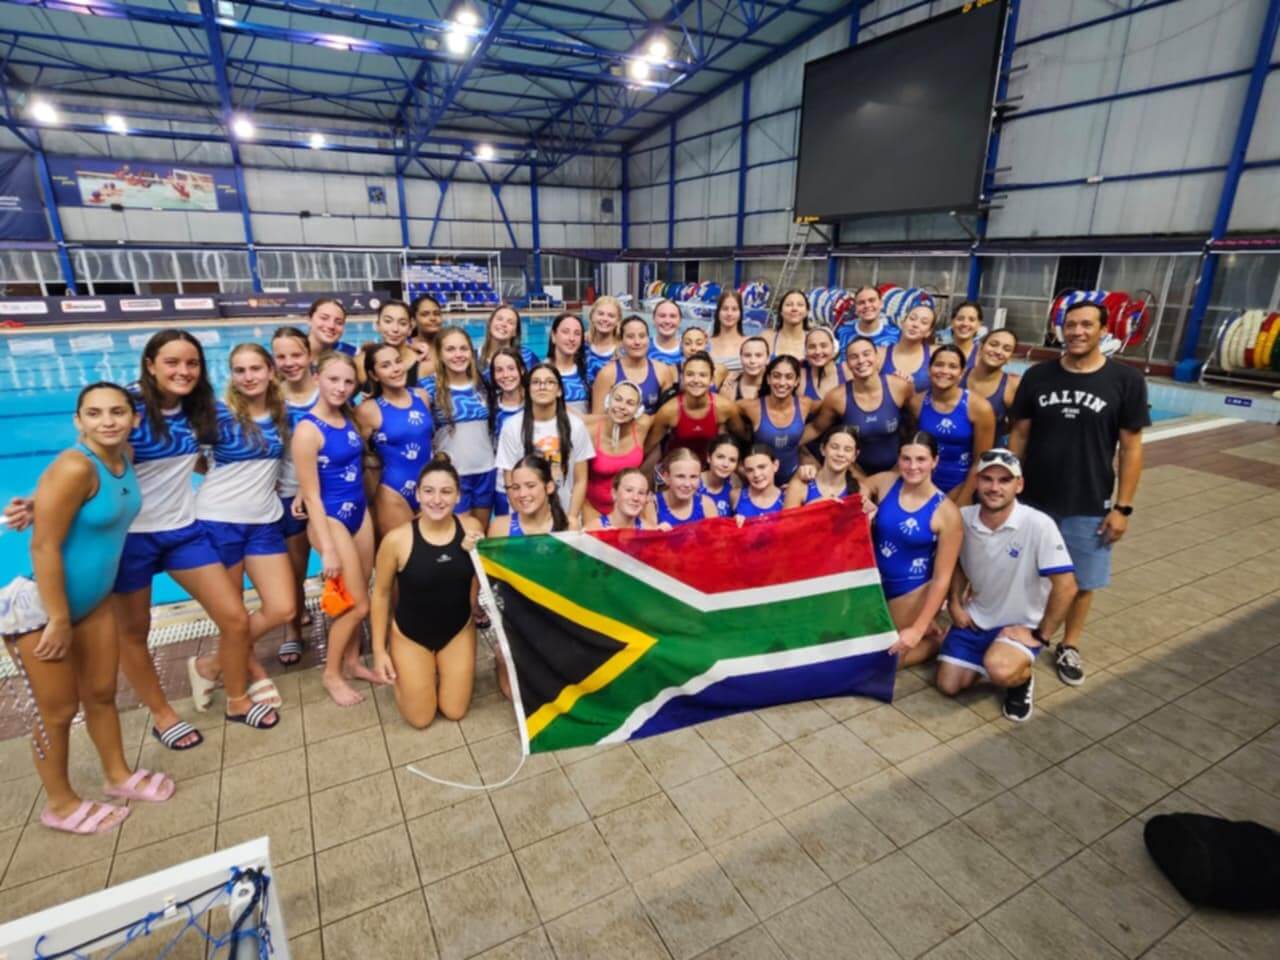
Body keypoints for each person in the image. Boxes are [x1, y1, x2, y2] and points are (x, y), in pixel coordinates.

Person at [0, 383, 175, 835]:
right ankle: (59, 804)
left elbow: (83, 505)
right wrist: (58, 618)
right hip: (42, 610)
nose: (107, 421)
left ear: (134, 419)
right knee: (57, 712)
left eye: (117, 412)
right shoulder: (74, 465)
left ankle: (117, 775)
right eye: (94, 413)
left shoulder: (123, 457)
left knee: (101, 694)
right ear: (78, 421)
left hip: (94, 601)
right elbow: (43, 546)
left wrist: (38, 503)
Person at [114, 331, 268, 749]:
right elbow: (87, 457)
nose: (183, 371)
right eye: (172, 362)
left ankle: (236, 700)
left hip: (183, 531)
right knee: (134, 632)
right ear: (150, 365)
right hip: (129, 538)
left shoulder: (202, 409)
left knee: (234, 618)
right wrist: (44, 500)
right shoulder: (127, 407)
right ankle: (162, 715)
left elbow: (213, 454)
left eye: (192, 363)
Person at [1008, 300, 1149, 688]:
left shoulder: (1125, 380)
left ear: (1104, 331)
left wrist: (1123, 507)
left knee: (1082, 581)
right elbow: (1019, 434)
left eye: (1087, 325)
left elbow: (1132, 448)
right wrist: (1009, 488)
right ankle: (1021, 632)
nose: (1077, 332)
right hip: (1034, 498)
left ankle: (1069, 644)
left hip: (1089, 499)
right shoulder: (1038, 375)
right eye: (1070, 325)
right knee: (1027, 572)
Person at [188, 344, 295, 712]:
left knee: (282, 607)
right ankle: (253, 671)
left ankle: (210, 665)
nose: (248, 377)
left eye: (255, 369)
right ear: (232, 375)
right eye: (240, 370)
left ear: (270, 371)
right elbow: (189, 458)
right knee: (232, 613)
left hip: (264, 521)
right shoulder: (218, 413)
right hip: (219, 519)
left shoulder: (282, 414)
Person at [938, 449, 1079, 722]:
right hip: (978, 618)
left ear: (1019, 485)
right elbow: (958, 563)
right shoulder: (963, 518)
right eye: (987, 479)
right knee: (948, 685)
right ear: (976, 482)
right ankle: (992, 656)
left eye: (1004, 480)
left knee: (1001, 669)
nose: (994, 488)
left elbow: (1067, 586)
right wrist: (955, 602)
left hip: (1021, 624)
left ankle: (1020, 680)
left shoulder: (1038, 524)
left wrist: (1041, 635)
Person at [369, 455, 484, 729]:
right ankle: (413, 673)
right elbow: (381, 595)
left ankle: (435, 670)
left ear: (458, 496)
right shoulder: (396, 540)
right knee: (420, 719)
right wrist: (378, 651)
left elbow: (486, 579)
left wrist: (481, 554)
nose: (437, 500)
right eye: (429, 491)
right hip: (410, 636)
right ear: (418, 494)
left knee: (454, 711)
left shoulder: (472, 530)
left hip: (457, 631)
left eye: (446, 492)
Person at [292, 351, 378, 707]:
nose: (341, 388)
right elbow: (311, 495)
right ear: (316, 378)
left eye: (347, 381)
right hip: (329, 520)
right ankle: (331, 673)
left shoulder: (349, 417)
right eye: (333, 379)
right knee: (357, 605)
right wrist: (327, 548)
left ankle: (353, 662)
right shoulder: (307, 430)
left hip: (359, 512)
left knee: (359, 593)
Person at [865, 432, 962, 668]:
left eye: (921, 459)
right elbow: (860, 486)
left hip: (910, 589)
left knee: (886, 662)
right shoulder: (886, 482)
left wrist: (917, 629)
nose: (912, 466)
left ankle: (937, 640)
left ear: (935, 461)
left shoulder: (947, 513)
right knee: (857, 650)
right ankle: (923, 627)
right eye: (906, 459)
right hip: (874, 580)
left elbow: (942, 578)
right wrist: (863, 499)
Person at [271, 326, 319, 667]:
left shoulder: (327, 390)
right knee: (295, 568)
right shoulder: (271, 399)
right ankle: (293, 628)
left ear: (309, 355)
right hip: (287, 492)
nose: (289, 362)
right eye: (281, 356)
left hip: (328, 490)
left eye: (296, 354)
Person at [495, 363, 595, 523]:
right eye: (536, 382)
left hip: (565, 514)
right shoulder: (512, 427)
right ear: (527, 390)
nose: (542, 386)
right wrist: (523, 518)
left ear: (559, 390)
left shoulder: (575, 426)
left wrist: (572, 517)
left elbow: (580, 480)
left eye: (549, 382)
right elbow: (509, 481)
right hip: (525, 516)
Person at [356, 342, 435, 538]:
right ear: (374, 375)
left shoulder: (422, 396)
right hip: (393, 492)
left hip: (430, 489)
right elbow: (357, 454)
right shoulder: (368, 410)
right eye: (386, 365)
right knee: (401, 552)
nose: (396, 369)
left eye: (398, 361)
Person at [803, 336, 912, 476]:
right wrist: (785, 444)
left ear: (877, 358)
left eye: (866, 354)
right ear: (847, 364)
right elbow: (816, 428)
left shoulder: (899, 387)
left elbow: (917, 424)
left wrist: (901, 466)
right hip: (855, 473)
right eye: (854, 357)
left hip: (899, 470)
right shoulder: (837, 397)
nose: (861, 361)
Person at [909, 345, 995, 503]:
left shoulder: (980, 408)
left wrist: (963, 499)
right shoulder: (916, 403)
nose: (944, 371)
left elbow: (981, 461)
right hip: (922, 484)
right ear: (929, 369)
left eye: (953, 366)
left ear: (962, 373)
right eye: (939, 364)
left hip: (962, 486)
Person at [429, 328, 497, 526]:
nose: (458, 355)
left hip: (486, 470)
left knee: (481, 533)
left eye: (463, 349)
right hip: (453, 473)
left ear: (471, 352)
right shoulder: (429, 388)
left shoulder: (484, 383)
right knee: (460, 533)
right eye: (450, 349)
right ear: (440, 354)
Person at [644, 352, 741, 465]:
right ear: (682, 378)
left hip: (711, 467)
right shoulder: (669, 411)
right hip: (677, 467)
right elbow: (648, 447)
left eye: (702, 375)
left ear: (711, 380)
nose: (696, 380)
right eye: (690, 374)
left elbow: (744, 439)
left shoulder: (725, 407)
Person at [736, 354, 812, 485]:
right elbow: (723, 413)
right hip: (758, 482)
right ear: (768, 379)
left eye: (789, 377)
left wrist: (797, 441)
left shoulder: (805, 404)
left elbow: (819, 426)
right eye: (776, 376)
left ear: (797, 381)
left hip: (793, 481)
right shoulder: (750, 407)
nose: (782, 383)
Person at [583, 381, 647, 520]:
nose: (622, 406)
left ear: (638, 410)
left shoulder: (643, 428)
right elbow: (578, 480)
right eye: (618, 399)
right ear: (608, 401)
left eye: (630, 403)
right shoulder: (590, 431)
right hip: (592, 509)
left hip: (631, 509)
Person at [591, 316, 677, 414]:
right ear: (621, 341)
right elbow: (597, 417)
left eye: (642, 336)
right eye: (630, 336)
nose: (637, 342)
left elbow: (668, 415)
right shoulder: (607, 374)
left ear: (648, 339)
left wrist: (646, 421)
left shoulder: (662, 371)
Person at [485, 347, 527, 518]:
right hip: (502, 484)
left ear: (521, 370)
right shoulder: (490, 406)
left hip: (532, 481)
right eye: (499, 370)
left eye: (511, 368)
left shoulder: (535, 403)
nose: (505, 375)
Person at [488, 454, 572, 537]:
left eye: (530, 486)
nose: (522, 494)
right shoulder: (500, 528)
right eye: (516, 487)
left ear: (549, 487)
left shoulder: (569, 525)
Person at [961, 329, 1021, 443]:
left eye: (1006, 349)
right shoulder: (959, 376)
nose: (998, 351)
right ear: (981, 347)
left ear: (1010, 357)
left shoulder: (1012, 386)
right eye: (993, 344)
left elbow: (1016, 429)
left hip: (990, 451)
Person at [784, 425, 865, 508]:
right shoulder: (800, 485)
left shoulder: (861, 491)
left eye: (847, 449)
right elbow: (788, 517)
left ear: (855, 455)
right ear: (823, 449)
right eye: (834, 447)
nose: (840, 454)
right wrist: (815, 506)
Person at [358, 300, 421, 387]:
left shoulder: (423, 360)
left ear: (410, 328)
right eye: (388, 321)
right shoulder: (361, 362)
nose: (395, 329)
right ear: (378, 325)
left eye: (402, 323)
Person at [654, 447, 719, 528]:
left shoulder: (706, 504)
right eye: (680, 476)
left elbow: (717, 535)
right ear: (666, 477)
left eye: (693, 477)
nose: (687, 484)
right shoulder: (653, 504)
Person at [880, 303, 936, 393]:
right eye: (912, 318)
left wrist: (909, 390)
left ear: (928, 332)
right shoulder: (880, 354)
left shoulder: (934, 355)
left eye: (924, 322)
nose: (915, 324)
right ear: (902, 323)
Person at [546, 311, 590, 414]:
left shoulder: (587, 371)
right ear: (553, 336)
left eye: (577, 333)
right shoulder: (541, 372)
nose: (571, 338)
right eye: (565, 332)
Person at [586, 468, 655, 530]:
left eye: (641, 493)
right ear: (614, 493)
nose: (635, 498)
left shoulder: (651, 531)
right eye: (629, 490)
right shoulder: (592, 530)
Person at [479, 303, 539, 373]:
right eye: (499, 319)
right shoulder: (474, 357)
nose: (503, 324)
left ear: (515, 332)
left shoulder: (527, 356)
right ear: (489, 324)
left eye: (510, 322)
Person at [837, 286, 899, 353]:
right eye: (861, 302)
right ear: (855, 307)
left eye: (871, 300)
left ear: (881, 304)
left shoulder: (895, 335)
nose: (867, 305)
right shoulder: (842, 332)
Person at [733, 445, 785, 519]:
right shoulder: (736, 495)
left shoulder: (788, 498)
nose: (756, 474)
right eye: (750, 470)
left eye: (762, 467)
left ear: (775, 465)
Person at [698, 434, 741, 518]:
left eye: (732, 460)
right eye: (720, 457)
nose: (725, 464)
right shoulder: (692, 481)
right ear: (709, 457)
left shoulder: (735, 484)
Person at [585, 296, 624, 384]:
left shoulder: (623, 351)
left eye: (611, 316)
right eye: (600, 314)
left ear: (618, 321)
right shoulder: (581, 345)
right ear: (592, 316)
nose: (605, 319)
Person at [801, 326, 846, 401]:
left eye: (823, 346)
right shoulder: (801, 377)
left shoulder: (847, 371)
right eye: (812, 347)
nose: (817, 351)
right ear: (805, 351)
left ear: (834, 348)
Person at [709, 289, 748, 372]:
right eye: (725, 309)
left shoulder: (750, 343)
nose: (729, 313)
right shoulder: (706, 344)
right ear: (718, 312)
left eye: (734, 309)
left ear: (740, 313)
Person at [408, 294, 444, 380]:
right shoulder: (406, 347)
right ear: (414, 320)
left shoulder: (450, 345)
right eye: (425, 314)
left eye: (437, 314)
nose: (433, 318)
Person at [722, 336, 769, 401]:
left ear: (768, 359)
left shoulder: (775, 386)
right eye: (747, 355)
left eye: (758, 355)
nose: (752, 361)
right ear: (740, 358)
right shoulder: (728, 388)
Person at [768, 289, 810, 361]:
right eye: (789, 305)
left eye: (800, 305)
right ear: (781, 311)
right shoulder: (768, 338)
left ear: (807, 312)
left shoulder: (814, 339)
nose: (794, 308)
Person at [947, 301, 984, 370]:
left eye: (971, 320)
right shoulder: (939, 352)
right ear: (952, 322)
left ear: (979, 325)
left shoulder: (983, 356)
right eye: (960, 319)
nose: (965, 323)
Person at [649, 299, 684, 367]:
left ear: (680, 320)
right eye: (662, 316)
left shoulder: (687, 349)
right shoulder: (642, 346)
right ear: (653, 319)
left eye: (672, 316)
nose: (667, 321)